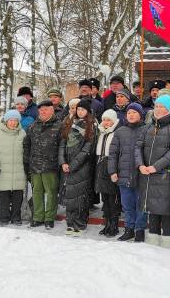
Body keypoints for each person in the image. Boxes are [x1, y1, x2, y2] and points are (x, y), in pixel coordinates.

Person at [135, 95, 170, 248]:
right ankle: (153, 239)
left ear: (169, 109)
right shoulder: (148, 126)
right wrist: (140, 165)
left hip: (165, 174)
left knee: (166, 208)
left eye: (163, 107)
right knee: (152, 207)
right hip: (147, 173)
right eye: (157, 106)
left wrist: (156, 166)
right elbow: (138, 147)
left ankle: (167, 240)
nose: (159, 109)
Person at [109, 102, 148, 242]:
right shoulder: (120, 131)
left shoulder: (147, 129)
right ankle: (129, 229)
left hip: (141, 174)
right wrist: (112, 171)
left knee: (141, 204)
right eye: (129, 113)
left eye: (134, 112)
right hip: (123, 174)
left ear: (140, 114)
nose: (131, 115)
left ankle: (139, 230)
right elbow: (113, 153)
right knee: (127, 204)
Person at [59, 99, 97, 236]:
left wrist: (73, 165)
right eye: (78, 109)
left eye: (83, 109)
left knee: (80, 196)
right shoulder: (69, 123)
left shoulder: (91, 125)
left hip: (82, 167)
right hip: (67, 166)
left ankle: (80, 224)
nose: (80, 112)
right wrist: (63, 162)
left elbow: (88, 149)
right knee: (70, 197)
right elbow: (62, 143)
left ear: (87, 111)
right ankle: (70, 223)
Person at [23, 100, 63, 229]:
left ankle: (49, 218)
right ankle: (38, 217)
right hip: (35, 165)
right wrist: (27, 161)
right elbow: (27, 145)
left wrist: (59, 163)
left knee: (51, 193)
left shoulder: (59, 126)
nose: (43, 111)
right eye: (41, 109)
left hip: (51, 166)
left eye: (46, 109)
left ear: (52, 110)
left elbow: (63, 147)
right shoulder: (33, 126)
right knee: (37, 192)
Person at [0, 110, 27, 226]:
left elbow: (26, 151)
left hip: (19, 170)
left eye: (15, 120)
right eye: (11, 120)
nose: (13, 123)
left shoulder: (22, 133)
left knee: (17, 196)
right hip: (2, 170)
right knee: (4, 196)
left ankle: (16, 217)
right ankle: (4, 218)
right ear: (6, 120)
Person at [95, 109, 121, 237]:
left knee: (113, 200)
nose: (105, 122)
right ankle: (107, 224)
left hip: (111, 168)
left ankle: (114, 225)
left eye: (108, 120)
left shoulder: (117, 133)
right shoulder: (101, 133)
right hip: (101, 167)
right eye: (104, 119)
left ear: (114, 121)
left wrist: (115, 170)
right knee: (104, 199)